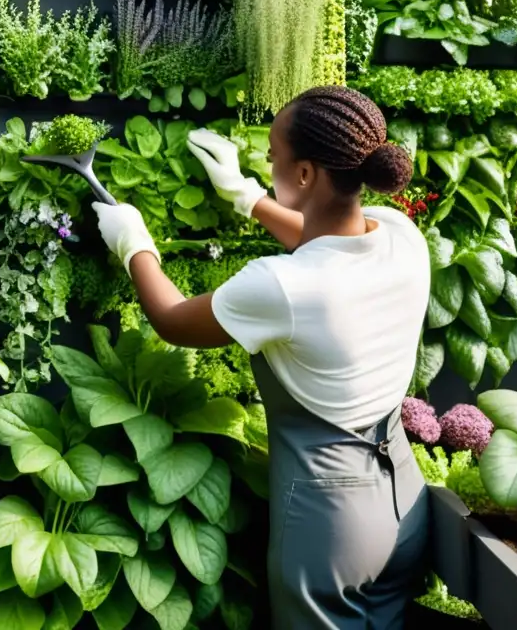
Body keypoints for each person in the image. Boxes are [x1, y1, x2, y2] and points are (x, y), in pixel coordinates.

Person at [91, 85, 432, 630]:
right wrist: (248, 198)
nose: (266, 159)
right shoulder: (402, 236)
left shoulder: (282, 286)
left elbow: (174, 320)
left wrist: (135, 245)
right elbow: (324, 242)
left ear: (304, 175)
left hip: (331, 526)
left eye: (272, 154)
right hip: (404, 503)